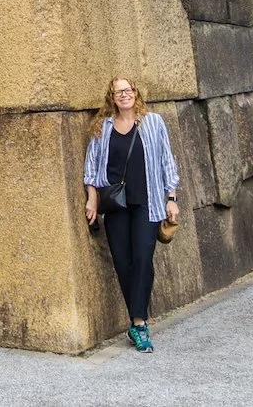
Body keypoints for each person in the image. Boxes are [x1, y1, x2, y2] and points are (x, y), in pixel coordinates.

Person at [82, 76, 180, 352]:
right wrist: (92, 199)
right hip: (115, 205)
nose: (124, 95)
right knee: (123, 262)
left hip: (147, 202)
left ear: (136, 93)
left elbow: (166, 160)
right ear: (111, 98)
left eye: (128, 90)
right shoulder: (103, 127)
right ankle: (137, 322)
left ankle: (138, 323)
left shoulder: (153, 122)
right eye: (118, 92)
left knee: (143, 259)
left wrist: (171, 198)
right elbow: (91, 167)